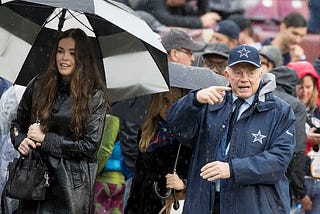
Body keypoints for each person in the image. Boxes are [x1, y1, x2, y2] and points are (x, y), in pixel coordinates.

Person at [167, 44, 296, 213]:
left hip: (254, 206)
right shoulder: (211, 100)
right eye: (238, 73)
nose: (244, 79)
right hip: (207, 202)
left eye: (250, 73)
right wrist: (194, 100)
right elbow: (177, 127)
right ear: (227, 75)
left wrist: (232, 168)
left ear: (260, 75)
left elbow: (278, 161)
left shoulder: (280, 111)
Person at [10, 28, 109, 213]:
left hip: (69, 187)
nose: (64, 58)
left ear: (83, 58)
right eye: (60, 50)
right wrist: (20, 140)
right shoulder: (39, 85)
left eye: (72, 53)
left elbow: (89, 146)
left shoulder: (95, 95)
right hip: (33, 179)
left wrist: (46, 139)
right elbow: (17, 124)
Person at [125, 87, 192, 214]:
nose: (170, 107)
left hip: (174, 205)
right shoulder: (148, 131)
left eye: (177, 101)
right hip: (146, 204)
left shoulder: (190, 134)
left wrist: (184, 184)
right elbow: (138, 179)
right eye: (165, 101)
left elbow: (202, 175)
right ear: (156, 102)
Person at [269, 66, 312, 212]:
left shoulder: (257, 97)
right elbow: (296, 152)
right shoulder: (295, 105)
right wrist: (301, 192)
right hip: (280, 182)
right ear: (293, 86)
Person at [287, 61, 320, 214]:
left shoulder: (317, 111)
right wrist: (306, 140)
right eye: (300, 87)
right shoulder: (285, 110)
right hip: (296, 183)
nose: (304, 92)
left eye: (308, 87)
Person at [94, 115, 126, 214]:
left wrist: (95, 171)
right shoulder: (129, 118)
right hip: (120, 179)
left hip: (104, 179)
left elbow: (105, 148)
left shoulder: (113, 117)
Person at [128, 0, 221, 29]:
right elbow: (165, 19)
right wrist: (200, 22)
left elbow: (201, 13)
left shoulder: (182, 6)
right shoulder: (155, 2)